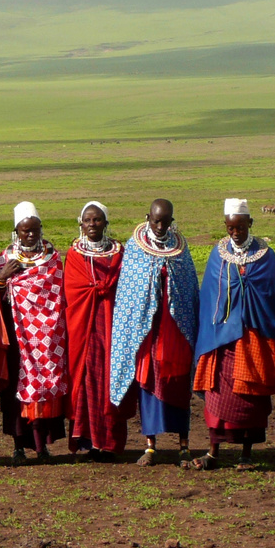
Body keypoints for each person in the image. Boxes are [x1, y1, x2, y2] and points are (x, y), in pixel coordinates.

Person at [190, 199, 275, 470]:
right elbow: (212, 295)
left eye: (239, 227)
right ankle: (213, 452)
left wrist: (251, 298)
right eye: (229, 228)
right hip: (222, 339)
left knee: (251, 395)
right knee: (217, 394)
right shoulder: (218, 254)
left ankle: (246, 455)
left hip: (254, 336)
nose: (235, 233)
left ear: (250, 223)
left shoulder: (266, 256)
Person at [109, 199, 200, 466]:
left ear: (173, 220)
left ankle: (184, 444)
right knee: (148, 381)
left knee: (178, 383)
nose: (160, 226)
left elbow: (189, 287)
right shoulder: (136, 248)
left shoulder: (180, 248)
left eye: (166, 221)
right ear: (147, 217)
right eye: (156, 221)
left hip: (175, 329)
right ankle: (150, 445)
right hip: (147, 330)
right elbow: (129, 293)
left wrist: (168, 279)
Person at [0, 202, 69, 464]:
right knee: (13, 392)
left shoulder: (52, 260)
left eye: (34, 230)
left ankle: (42, 446)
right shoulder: (3, 259)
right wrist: (2, 279)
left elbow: (59, 297)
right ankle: (18, 445)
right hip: (15, 337)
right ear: (16, 232)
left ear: (41, 230)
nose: (30, 235)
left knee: (44, 388)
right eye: (24, 231)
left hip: (46, 339)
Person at [63, 201, 128, 460]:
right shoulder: (75, 254)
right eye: (88, 220)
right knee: (87, 379)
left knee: (111, 379)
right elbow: (72, 291)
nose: (92, 224)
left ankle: (110, 443)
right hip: (85, 329)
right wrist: (95, 288)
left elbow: (126, 288)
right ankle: (88, 441)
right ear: (81, 223)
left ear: (106, 223)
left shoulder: (119, 253)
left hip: (113, 327)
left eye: (97, 220)